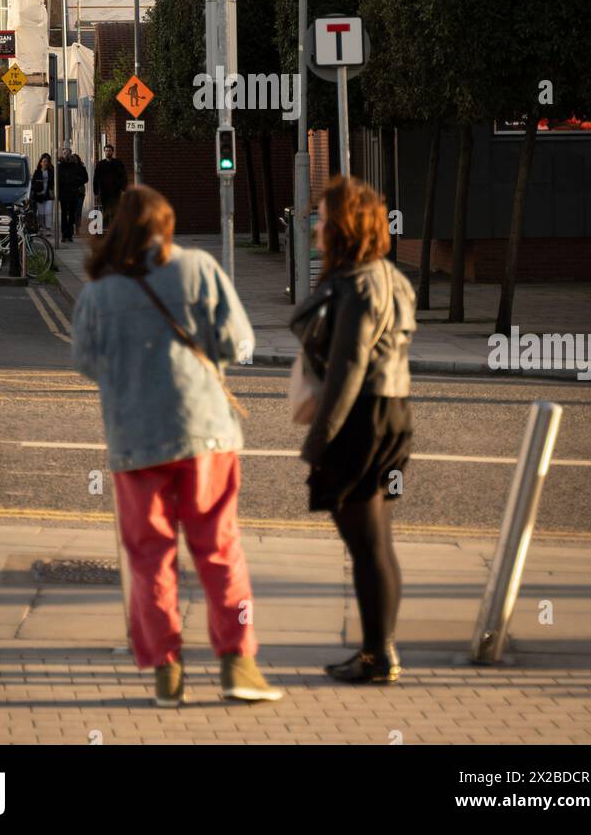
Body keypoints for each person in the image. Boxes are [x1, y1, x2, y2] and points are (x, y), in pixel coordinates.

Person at [72, 184, 283, 709]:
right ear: (166, 225)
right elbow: (238, 342)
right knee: (219, 550)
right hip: (204, 433)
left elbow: (84, 362)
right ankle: (239, 665)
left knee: (150, 559)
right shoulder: (198, 268)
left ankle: (167, 673)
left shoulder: (98, 292)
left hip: (134, 440)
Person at [290, 175, 416, 686]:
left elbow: (347, 370)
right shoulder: (389, 275)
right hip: (391, 414)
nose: (314, 225)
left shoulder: (359, 285)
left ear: (341, 226)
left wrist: (319, 442)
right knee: (376, 541)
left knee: (366, 545)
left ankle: (377, 656)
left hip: (361, 419)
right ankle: (377, 649)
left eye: (321, 216)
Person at [93, 144, 128, 226]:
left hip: (116, 191)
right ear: (104, 152)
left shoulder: (118, 163)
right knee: (105, 210)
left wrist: (123, 189)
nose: (108, 152)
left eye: (109, 150)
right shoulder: (100, 164)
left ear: (112, 152)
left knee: (115, 210)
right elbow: (96, 178)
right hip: (104, 191)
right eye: (106, 151)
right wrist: (96, 193)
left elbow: (123, 177)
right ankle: (106, 229)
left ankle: (114, 229)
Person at [57, 147, 87, 243]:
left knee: (71, 215)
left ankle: (69, 235)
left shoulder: (75, 166)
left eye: (67, 153)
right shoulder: (60, 166)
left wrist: (76, 183)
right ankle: (64, 235)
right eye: (64, 153)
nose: (66, 155)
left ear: (70, 154)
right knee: (64, 215)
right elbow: (57, 178)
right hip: (63, 194)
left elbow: (84, 178)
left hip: (73, 193)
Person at [31, 153, 54, 235]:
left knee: (48, 212)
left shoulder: (51, 172)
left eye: (46, 161)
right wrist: (36, 190)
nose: (45, 163)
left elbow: (54, 182)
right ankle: (41, 228)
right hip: (39, 195)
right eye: (43, 161)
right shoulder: (37, 172)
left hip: (48, 195)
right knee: (41, 213)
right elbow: (33, 183)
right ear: (40, 163)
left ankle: (48, 228)